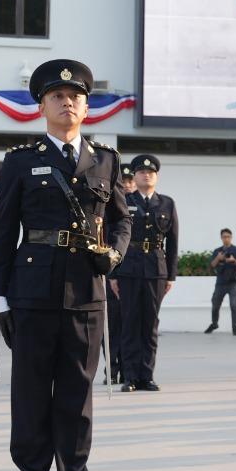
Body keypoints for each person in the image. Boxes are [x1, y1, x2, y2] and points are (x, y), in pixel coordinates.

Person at [0, 60, 130, 471]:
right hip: (31, 292)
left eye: (75, 96)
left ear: (87, 106)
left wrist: (115, 254)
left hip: (86, 293)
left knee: (76, 397)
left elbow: (121, 221)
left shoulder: (106, 160)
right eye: (56, 96)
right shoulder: (20, 161)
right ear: (41, 106)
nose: (66, 102)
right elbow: (3, 230)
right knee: (30, 396)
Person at [113, 154, 178, 392]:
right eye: (141, 172)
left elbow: (173, 241)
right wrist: (113, 274)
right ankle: (130, 376)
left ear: (156, 177)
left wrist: (171, 274)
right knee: (129, 323)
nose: (146, 175)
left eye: (150, 172)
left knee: (150, 324)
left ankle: (147, 375)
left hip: (155, 270)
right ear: (135, 176)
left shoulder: (167, 203)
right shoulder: (122, 199)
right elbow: (114, 237)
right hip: (128, 269)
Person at [104, 163, 133, 384]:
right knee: (112, 326)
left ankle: (128, 368)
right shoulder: (108, 209)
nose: (128, 186)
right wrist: (112, 275)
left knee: (130, 326)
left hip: (134, 275)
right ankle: (111, 369)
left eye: (130, 182)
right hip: (113, 274)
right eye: (124, 183)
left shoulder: (140, 210)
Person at [208, 229, 236, 335]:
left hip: (233, 282)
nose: (226, 238)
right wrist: (218, 258)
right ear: (221, 238)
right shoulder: (217, 251)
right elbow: (212, 265)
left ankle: (235, 328)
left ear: (231, 237)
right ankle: (214, 323)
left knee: (234, 306)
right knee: (215, 305)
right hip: (220, 282)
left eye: (228, 236)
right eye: (224, 236)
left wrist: (234, 261)